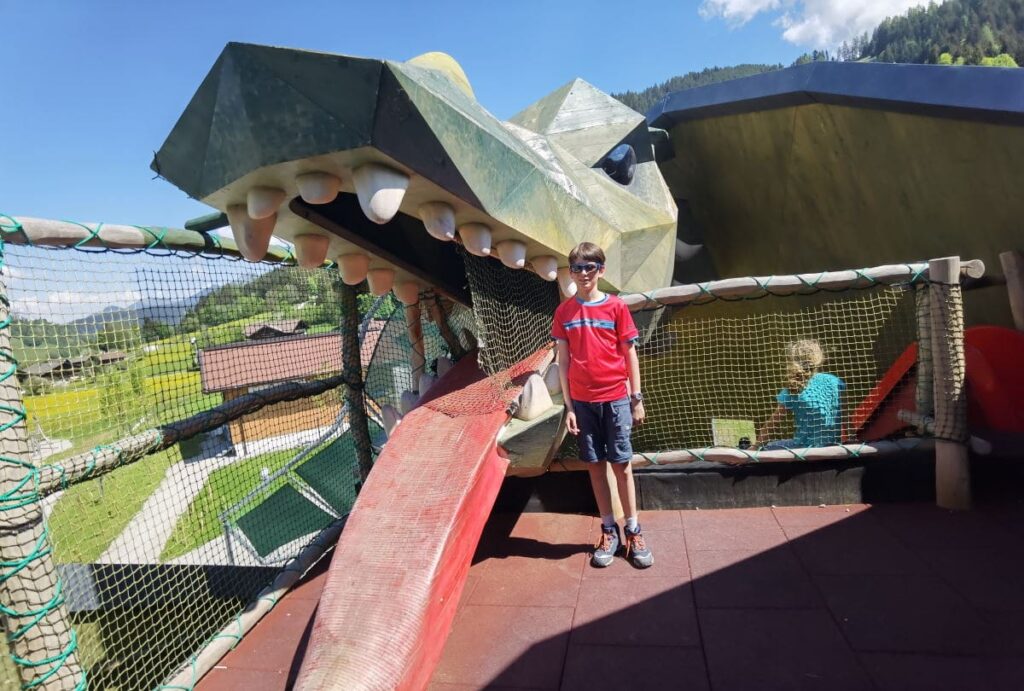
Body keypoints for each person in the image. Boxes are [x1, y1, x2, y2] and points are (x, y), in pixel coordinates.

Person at [551, 242, 652, 568]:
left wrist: (636, 398)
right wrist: (569, 407)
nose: (583, 274)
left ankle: (633, 530)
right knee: (595, 465)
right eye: (577, 268)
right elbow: (562, 361)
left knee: (622, 465)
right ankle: (608, 530)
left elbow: (629, 355)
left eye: (589, 267)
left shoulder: (616, 308)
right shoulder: (564, 313)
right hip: (583, 402)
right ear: (571, 272)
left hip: (616, 399)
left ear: (600, 271)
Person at [757, 339, 845, 450]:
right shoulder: (835, 381)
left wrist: (754, 448)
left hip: (804, 450)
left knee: (768, 447)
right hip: (832, 446)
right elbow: (843, 415)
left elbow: (771, 425)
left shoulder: (793, 389)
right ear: (819, 359)